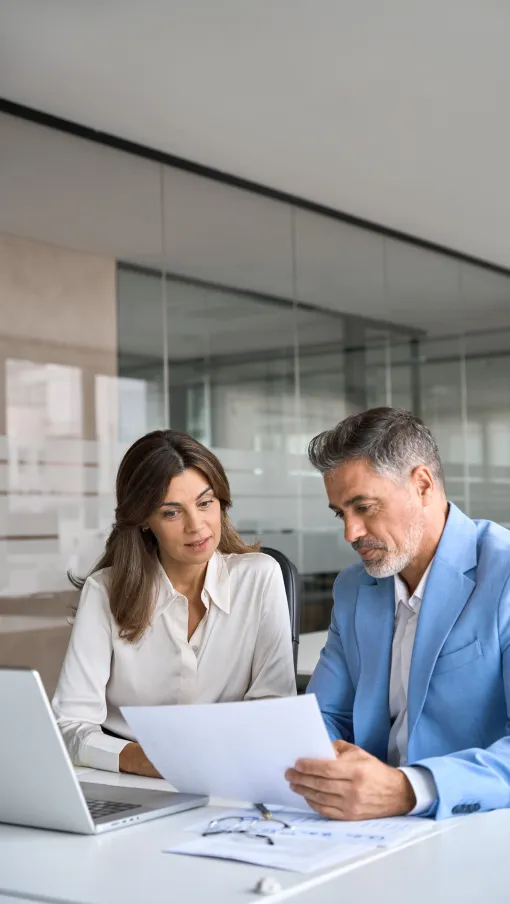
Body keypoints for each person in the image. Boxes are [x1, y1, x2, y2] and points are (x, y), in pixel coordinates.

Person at [285, 407, 510, 821]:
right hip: (366, 829)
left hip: (476, 826)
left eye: (364, 507)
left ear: (422, 485)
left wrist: (410, 789)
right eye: (341, 513)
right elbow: (326, 714)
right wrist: (325, 764)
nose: (350, 533)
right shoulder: (354, 588)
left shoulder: (505, 573)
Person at [53, 430, 296, 777]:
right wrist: (138, 759)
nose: (196, 526)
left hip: (231, 772)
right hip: (129, 778)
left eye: (205, 503)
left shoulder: (259, 577)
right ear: (144, 522)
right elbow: (70, 725)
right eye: (171, 513)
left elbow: (276, 709)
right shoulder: (104, 591)